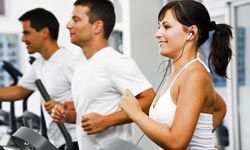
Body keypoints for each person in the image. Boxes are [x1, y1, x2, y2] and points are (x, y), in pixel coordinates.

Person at [119, 0, 231, 149]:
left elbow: (176, 143)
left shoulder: (195, 75)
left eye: (166, 26)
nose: (157, 34)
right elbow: (220, 108)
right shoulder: (178, 74)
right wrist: (196, 135)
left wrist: (136, 113)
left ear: (191, 32)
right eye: (159, 27)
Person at [50, 0, 155, 149]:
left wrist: (107, 120)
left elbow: (150, 99)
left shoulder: (115, 61)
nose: (68, 25)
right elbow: (89, 118)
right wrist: (66, 116)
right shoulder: (83, 66)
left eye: (76, 19)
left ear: (97, 26)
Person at [0, 8, 80, 149]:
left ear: (44, 33)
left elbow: (92, 98)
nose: (23, 39)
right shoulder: (39, 64)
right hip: (59, 140)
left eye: (27, 33)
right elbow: (19, 91)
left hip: (76, 139)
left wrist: (63, 107)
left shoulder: (69, 62)